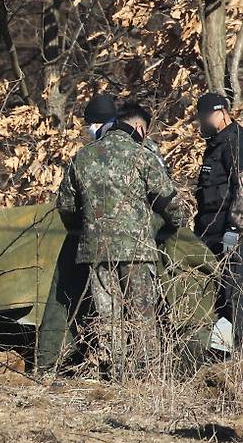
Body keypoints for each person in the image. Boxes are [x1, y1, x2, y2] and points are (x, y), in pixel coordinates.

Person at [57, 103, 184, 377]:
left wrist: (84, 230)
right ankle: (147, 377)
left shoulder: (82, 156)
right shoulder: (142, 155)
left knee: (109, 319)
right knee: (143, 316)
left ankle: (117, 376)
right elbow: (169, 203)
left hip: (96, 251)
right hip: (137, 250)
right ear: (139, 128)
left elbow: (65, 206)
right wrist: (170, 229)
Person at [194, 92, 243, 344]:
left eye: (204, 117)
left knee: (233, 295)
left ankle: (235, 356)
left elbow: (241, 187)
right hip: (209, 235)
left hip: (230, 236)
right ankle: (221, 352)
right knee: (217, 298)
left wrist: (234, 227)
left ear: (221, 113)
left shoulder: (235, 143)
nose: (201, 122)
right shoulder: (215, 145)